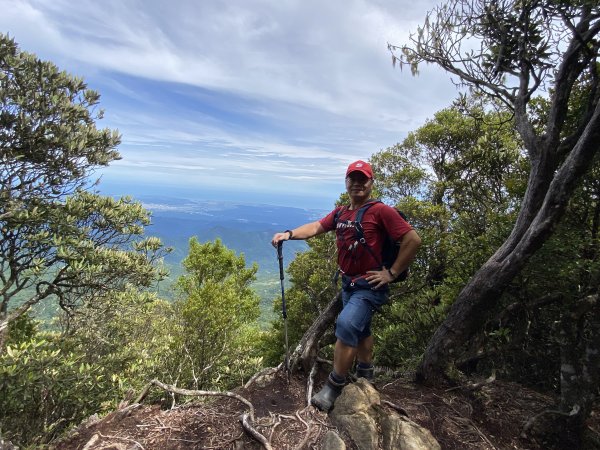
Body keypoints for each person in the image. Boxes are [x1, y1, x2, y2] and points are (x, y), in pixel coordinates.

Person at [271, 160, 421, 412]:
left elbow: (413, 239)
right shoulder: (341, 213)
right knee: (361, 328)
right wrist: (288, 234)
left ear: (371, 183)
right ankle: (366, 373)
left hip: (369, 285)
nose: (357, 183)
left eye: (363, 179)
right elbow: (317, 227)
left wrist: (391, 273)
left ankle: (334, 386)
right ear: (346, 182)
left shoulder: (381, 211)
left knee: (347, 324)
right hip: (348, 282)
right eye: (353, 178)